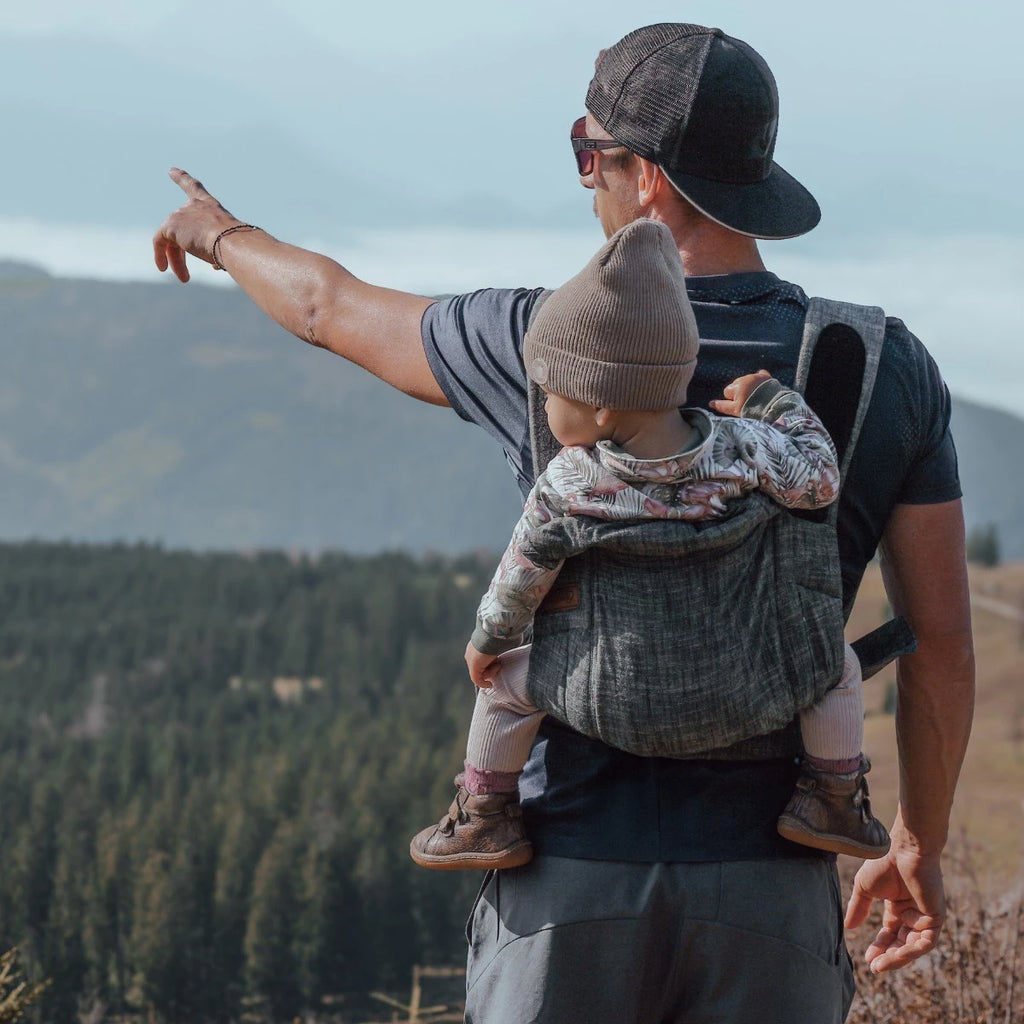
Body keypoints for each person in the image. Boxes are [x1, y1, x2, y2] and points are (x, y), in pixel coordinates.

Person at [153, 21, 974, 1023]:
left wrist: (218, 234)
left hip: (566, 883)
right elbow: (936, 645)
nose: (586, 179)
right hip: (770, 889)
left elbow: (328, 307)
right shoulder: (884, 367)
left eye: (590, 154)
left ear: (651, 181)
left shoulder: (537, 344)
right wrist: (915, 849)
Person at [409, 218, 889, 874]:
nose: (546, 405)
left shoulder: (571, 483)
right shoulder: (747, 450)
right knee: (834, 664)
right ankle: (831, 798)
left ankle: (485, 815)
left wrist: (487, 641)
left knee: (504, 685)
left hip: (607, 700)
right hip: (746, 690)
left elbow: (522, 575)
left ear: (603, 407)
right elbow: (820, 480)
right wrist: (777, 403)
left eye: (552, 391)